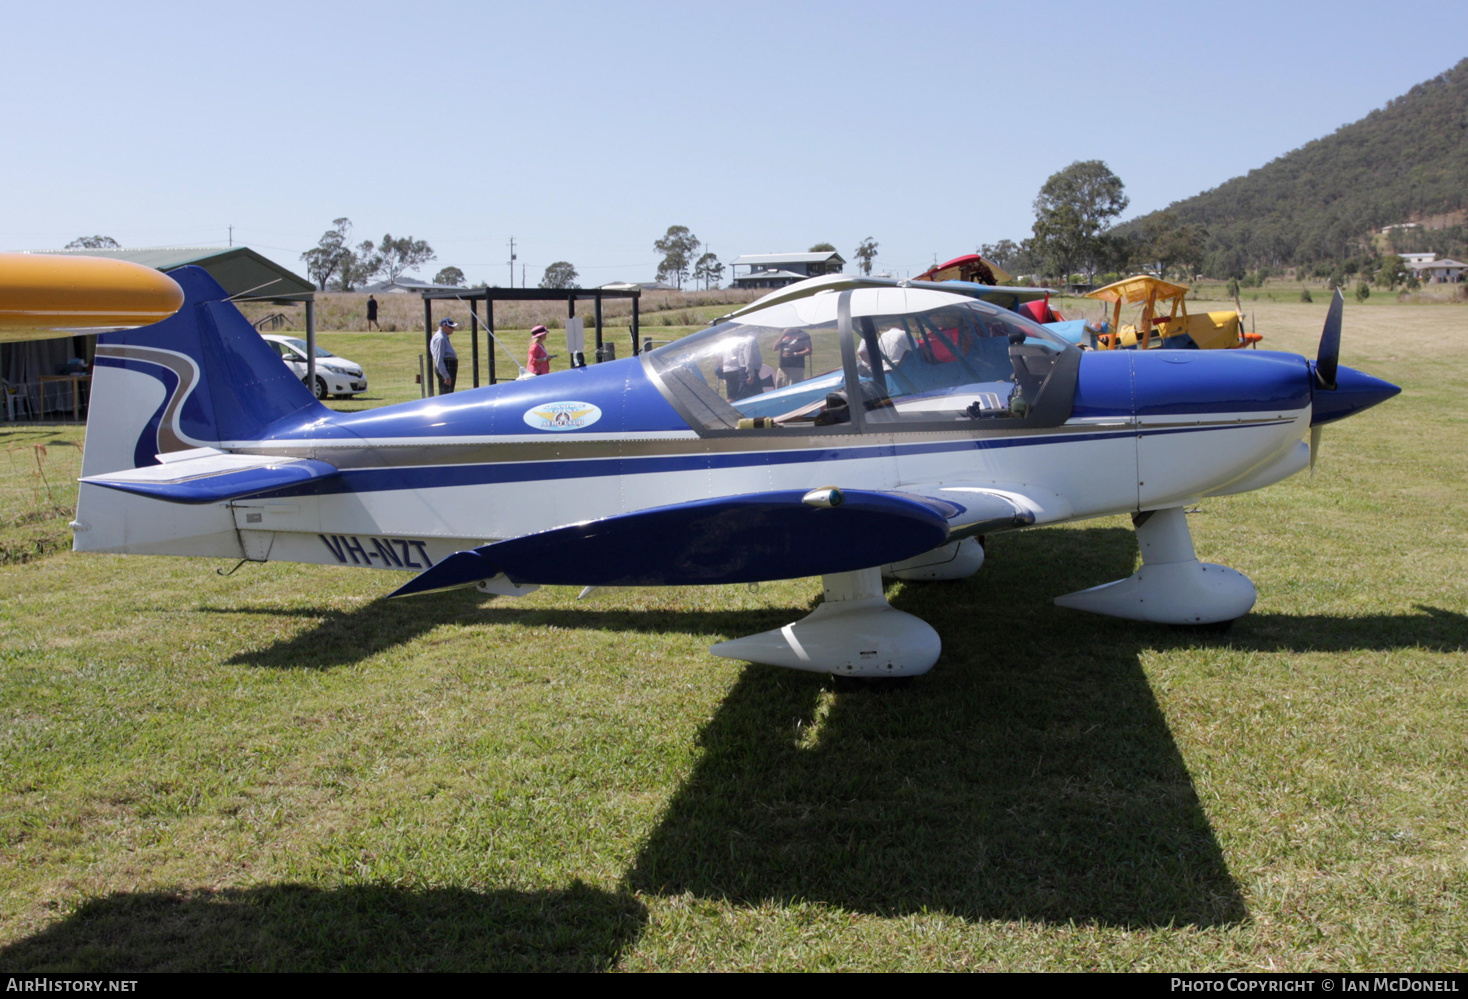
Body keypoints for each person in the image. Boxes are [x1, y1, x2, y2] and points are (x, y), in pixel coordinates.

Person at [431, 317, 458, 393]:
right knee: (446, 393)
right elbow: (439, 359)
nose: (453, 329)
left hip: (448, 366)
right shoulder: (440, 339)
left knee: (449, 392)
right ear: (444, 326)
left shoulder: (444, 337)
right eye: (451, 327)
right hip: (446, 366)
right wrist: (446, 376)